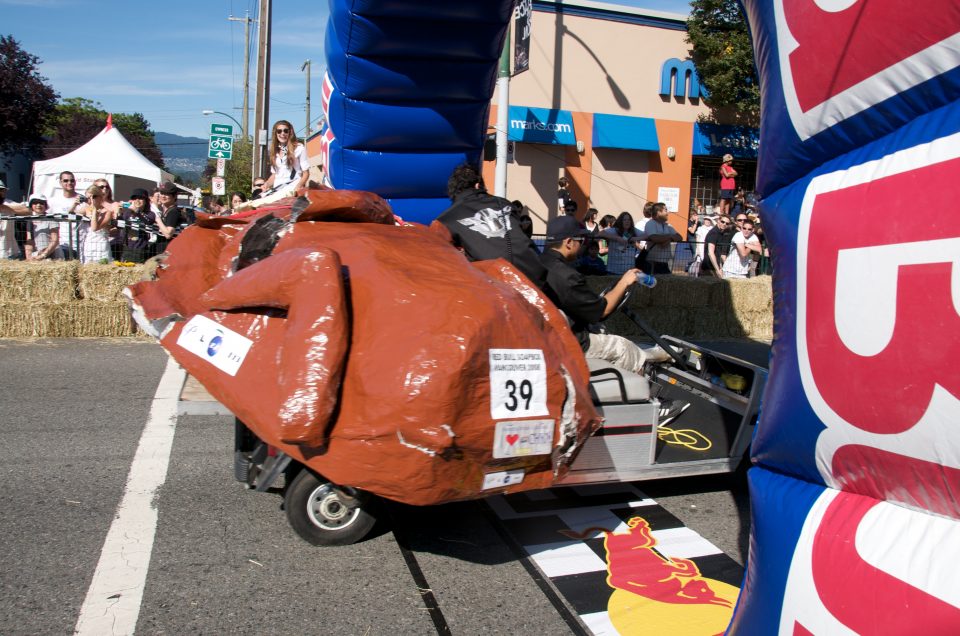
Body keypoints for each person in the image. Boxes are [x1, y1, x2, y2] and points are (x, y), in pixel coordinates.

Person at [539, 216, 679, 383]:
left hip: (550, 333)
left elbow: (585, 307)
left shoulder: (538, 263)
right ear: (569, 242)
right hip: (569, 342)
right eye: (581, 240)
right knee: (624, 348)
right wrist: (624, 282)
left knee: (601, 329)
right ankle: (642, 396)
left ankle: (648, 359)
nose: (583, 244)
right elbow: (602, 310)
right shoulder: (566, 275)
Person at [433, 163, 546, 287]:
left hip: (493, 287)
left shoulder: (445, 219)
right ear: (477, 185)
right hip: (535, 277)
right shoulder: (503, 203)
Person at [260, 120, 310, 192]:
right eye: (279, 131)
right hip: (277, 188)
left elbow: (306, 173)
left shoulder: (299, 148)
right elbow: (275, 174)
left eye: (285, 131)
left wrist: (298, 186)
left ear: (290, 133)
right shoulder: (273, 151)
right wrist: (267, 184)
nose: (282, 133)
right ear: (275, 134)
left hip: (293, 187)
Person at [47, 171, 84, 259]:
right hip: (62, 244)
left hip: (82, 244)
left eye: (72, 180)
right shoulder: (53, 201)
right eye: (66, 181)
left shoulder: (83, 199)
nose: (69, 183)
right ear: (60, 182)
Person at [114, 188, 156, 263]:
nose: (137, 200)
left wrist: (137, 211)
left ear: (146, 201)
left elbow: (148, 221)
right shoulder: (127, 213)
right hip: (127, 248)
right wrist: (118, 213)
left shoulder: (150, 214)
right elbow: (119, 226)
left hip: (141, 249)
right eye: (134, 198)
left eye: (140, 198)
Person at [642, 202, 682, 275]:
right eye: (665, 210)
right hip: (652, 262)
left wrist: (669, 239)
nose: (668, 213)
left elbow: (679, 237)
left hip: (664, 262)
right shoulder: (651, 223)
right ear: (659, 212)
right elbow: (654, 238)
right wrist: (670, 236)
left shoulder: (668, 225)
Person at [80, 185, 114, 263]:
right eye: (88, 198)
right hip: (89, 244)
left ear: (100, 197)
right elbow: (71, 215)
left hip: (101, 245)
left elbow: (94, 228)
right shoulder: (86, 209)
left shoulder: (107, 212)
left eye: (93, 197)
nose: (90, 200)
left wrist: (95, 209)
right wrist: (74, 204)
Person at [154, 181, 191, 250]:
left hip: (169, 253)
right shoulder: (167, 211)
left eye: (167, 194)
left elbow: (168, 234)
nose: (163, 196)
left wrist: (158, 220)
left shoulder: (173, 212)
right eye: (162, 193)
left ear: (174, 196)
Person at [27, 194, 61, 261]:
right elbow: (29, 241)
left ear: (45, 205)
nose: (38, 205)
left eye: (41, 203)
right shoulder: (30, 221)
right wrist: (29, 256)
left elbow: (55, 240)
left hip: (53, 255)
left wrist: (43, 255)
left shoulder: (51, 219)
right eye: (35, 203)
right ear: (31, 205)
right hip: (37, 255)